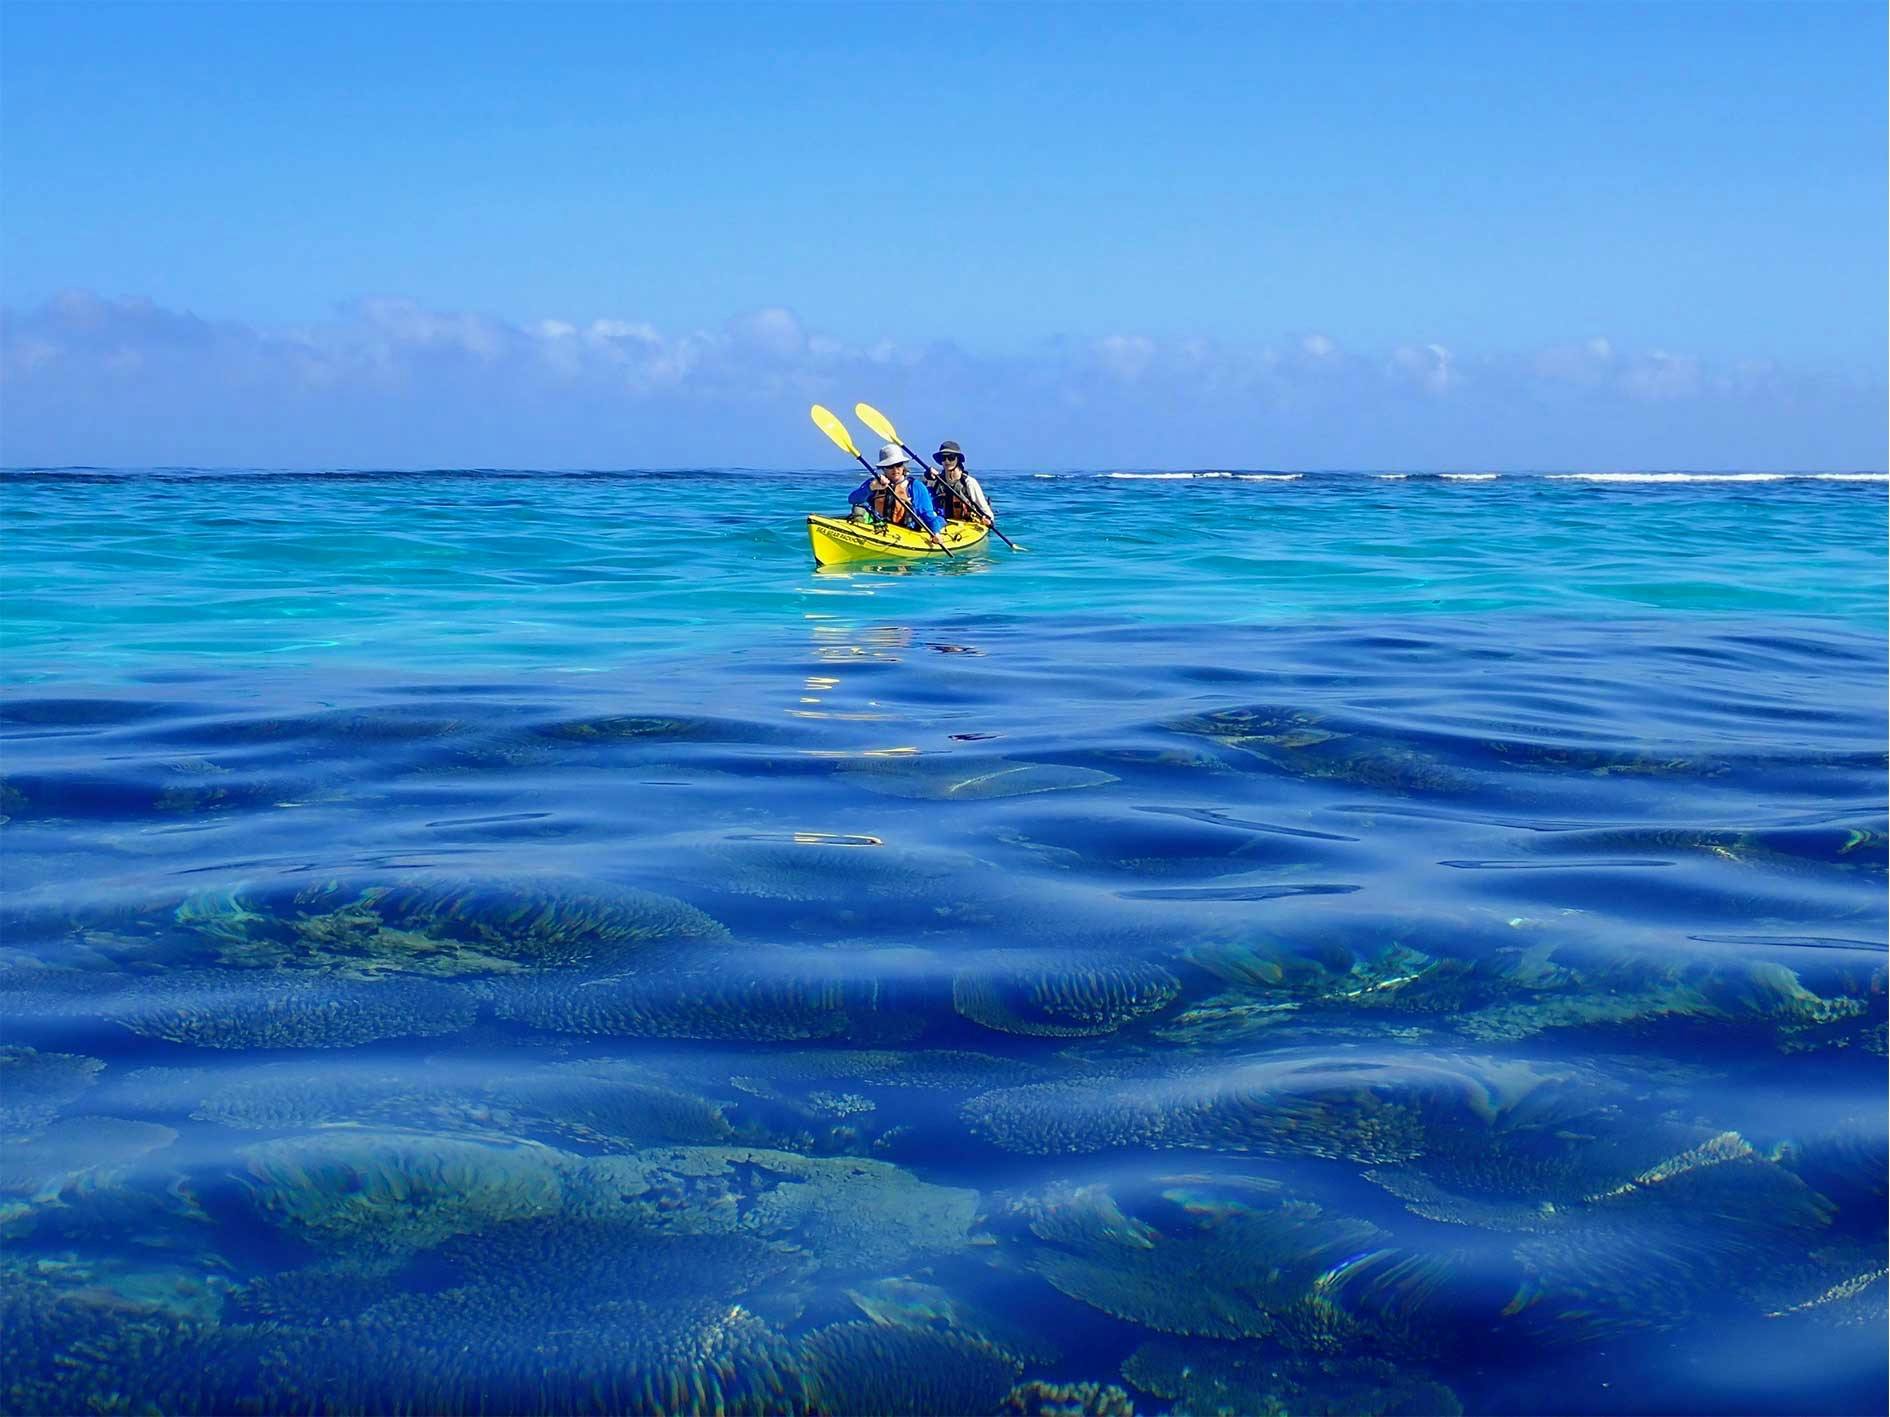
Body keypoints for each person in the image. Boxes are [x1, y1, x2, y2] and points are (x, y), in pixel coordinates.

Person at [849, 443, 943, 533]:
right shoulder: (873, 483)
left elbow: (928, 514)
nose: (895, 470)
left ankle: (942, 521)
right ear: (883, 468)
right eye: (890, 466)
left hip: (906, 532)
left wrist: (936, 532)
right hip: (880, 528)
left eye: (898, 465)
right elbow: (852, 499)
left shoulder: (915, 486)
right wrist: (870, 488)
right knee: (858, 510)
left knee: (935, 520)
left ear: (903, 466)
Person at [923, 440, 995, 526]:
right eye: (943, 458)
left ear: (958, 459)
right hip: (942, 523)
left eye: (951, 457)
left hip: (967, 526)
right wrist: (927, 475)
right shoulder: (936, 481)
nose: (947, 461)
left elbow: (985, 510)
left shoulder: (969, 483)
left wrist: (989, 520)